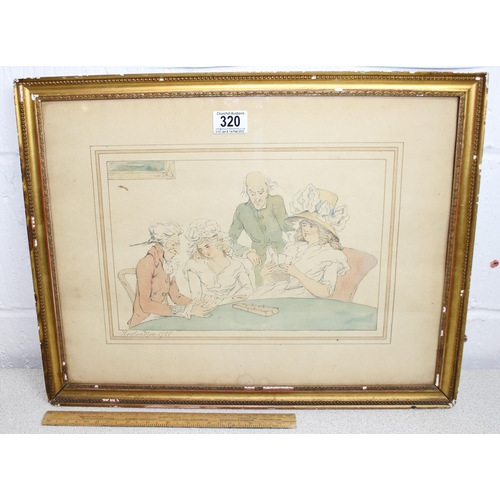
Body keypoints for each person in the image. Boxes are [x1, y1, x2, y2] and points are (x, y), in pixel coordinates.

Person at [248, 185, 350, 300]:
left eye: (311, 226)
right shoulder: (296, 248)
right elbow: (288, 281)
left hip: (305, 299)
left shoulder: (331, 255)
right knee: (256, 297)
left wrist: (297, 274)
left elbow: (326, 291)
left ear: (323, 230)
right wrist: (265, 274)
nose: (306, 229)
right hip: (287, 292)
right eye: (304, 225)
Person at [128, 222, 212, 328]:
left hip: (164, 316)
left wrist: (194, 304)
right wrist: (186, 310)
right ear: (161, 243)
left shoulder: (168, 264)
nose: (177, 250)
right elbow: (146, 305)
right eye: (173, 244)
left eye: (178, 244)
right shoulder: (146, 263)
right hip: (145, 320)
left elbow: (176, 296)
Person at [229, 171, 294, 286]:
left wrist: (293, 249)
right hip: (258, 260)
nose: (257, 198)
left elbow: (288, 228)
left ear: (267, 189)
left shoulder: (276, 201)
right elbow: (229, 240)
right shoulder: (241, 210)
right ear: (247, 191)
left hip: (283, 254)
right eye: (252, 193)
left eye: (261, 192)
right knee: (260, 288)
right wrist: (247, 252)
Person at [183, 219, 254, 307]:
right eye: (201, 249)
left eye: (207, 246)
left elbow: (248, 288)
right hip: (206, 308)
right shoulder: (194, 266)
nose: (205, 252)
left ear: (217, 242)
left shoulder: (236, 265)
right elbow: (196, 297)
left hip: (231, 308)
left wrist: (236, 297)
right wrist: (230, 300)